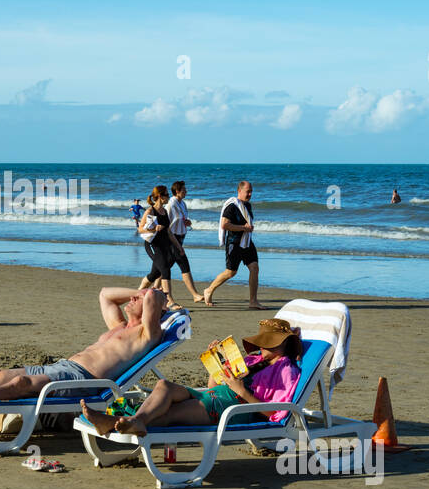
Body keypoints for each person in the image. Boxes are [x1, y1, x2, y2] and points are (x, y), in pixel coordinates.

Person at [0, 287, 166, 404]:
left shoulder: (146, 334)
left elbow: (154, 295)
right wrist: (139, 293)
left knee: (20, 385)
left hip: (84, 380)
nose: (131, 297)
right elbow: (105, 293)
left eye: (138, 298)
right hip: (64, 368)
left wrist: (151, 296)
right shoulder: (119, 326)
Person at [81, 317, 302, 437]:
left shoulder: (286, 371)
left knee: (170, 414)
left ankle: (112, 423)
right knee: (164, 385)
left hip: (234, 408)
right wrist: (218, 364)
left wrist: (241, 390)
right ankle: (133, 421)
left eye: (268, 342)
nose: (261, 346)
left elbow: (275, 413)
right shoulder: (252, 361)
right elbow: (212, 385)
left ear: (283, 344)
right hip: (215, 396)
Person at [201, 180, 262, 309]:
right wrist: (244, 228)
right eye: (248, 191)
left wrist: (248, 228)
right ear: (239, 191)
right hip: (234, 242)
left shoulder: (247, 206)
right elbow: (225, 225)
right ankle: (209, 290)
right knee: (230, 272)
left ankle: (253, 301)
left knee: (254, 268)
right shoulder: (232, 206)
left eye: (251, 191)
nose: (250, 194)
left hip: (246, 242)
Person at [136, 185, 183, 310]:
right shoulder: (150, 211)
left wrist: (179, 247)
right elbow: (140, 229)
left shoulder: (165, 211)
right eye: (167, 195)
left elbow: (168, 232)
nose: (169, 197)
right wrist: (153, 228)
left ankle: (137, 294)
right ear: (160, 197)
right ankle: (169, 301)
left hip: (164, 245)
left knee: (154, 274)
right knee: (165, 270)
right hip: (152, 245)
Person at [165, 180, 203, 303]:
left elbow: (183, 219)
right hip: (172, 239)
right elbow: (165, 222)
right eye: (184, 190)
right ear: (177, 191)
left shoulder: (183, 203)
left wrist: (187, 222)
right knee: (184, 265)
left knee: (162, 269)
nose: (186, 192)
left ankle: (148, 289)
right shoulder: (171, 204)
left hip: (181, 237)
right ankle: (195, 294)